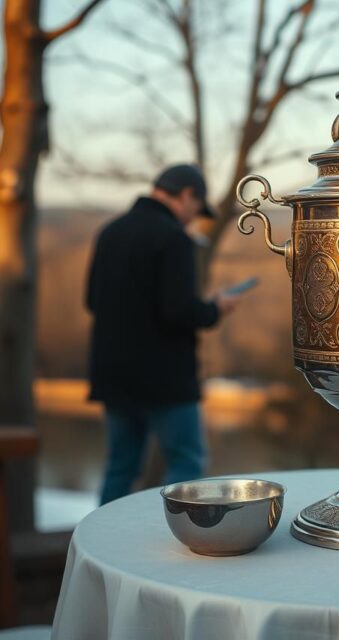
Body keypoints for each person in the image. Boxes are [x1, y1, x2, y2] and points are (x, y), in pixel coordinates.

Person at [86, 164, 240, 505]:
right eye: (196, 211)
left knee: (120, 469)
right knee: (187, 461)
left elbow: (92, 301)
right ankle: (169, 544)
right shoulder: (174, 239)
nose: (193, 220)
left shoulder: (109, 232)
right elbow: (179, 311)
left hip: (114, 374)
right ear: (186, 195)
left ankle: (104, 546)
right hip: (165, 380)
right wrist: (216, 308)